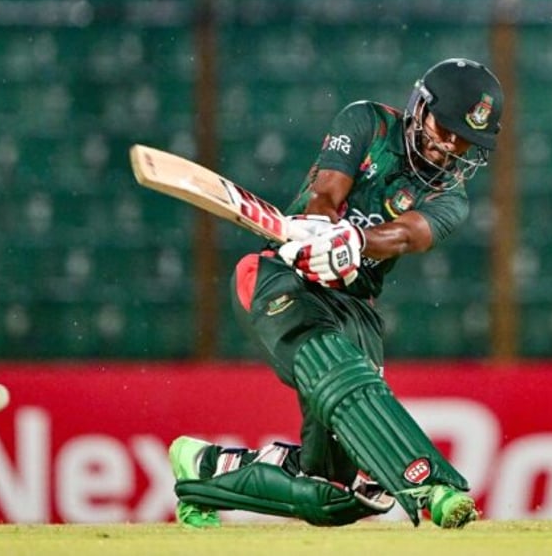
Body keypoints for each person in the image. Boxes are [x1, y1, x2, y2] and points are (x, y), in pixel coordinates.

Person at [168, 58, 504, 529]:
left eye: (464, 140)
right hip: (280, 277)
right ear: (420, 107)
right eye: (445, 129)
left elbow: (407, 234)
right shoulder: (367, 121)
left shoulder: (452, 198)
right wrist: (321, 230)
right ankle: (430, 483)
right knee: (337, 369)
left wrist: (355, 243)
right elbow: (326, 194)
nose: (451, 147)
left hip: (354, 305)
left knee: (345, 494)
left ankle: (203, 471)